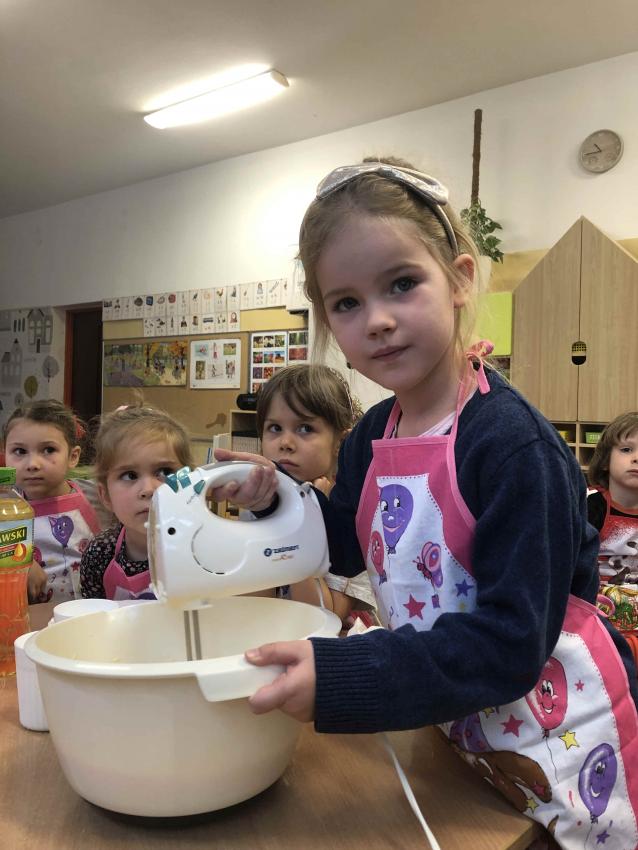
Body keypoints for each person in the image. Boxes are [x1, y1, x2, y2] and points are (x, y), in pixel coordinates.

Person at [212, 158, 638, 846]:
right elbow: (342, 544)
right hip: (457, 723)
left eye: (402, 283)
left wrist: (349, 675)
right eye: (346, 303)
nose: (377, 321)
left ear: (459, 280)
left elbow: (511, 645)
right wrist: (277, 499)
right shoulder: (372, 436)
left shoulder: (512, 446)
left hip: (561, 733)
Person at [254, 363, 374, 621]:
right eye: (275, 428)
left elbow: (322, 617)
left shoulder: (348, 520)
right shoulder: (258, 507)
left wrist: (303, 520)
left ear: (340, 442)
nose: (285, 443)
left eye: (305, 428)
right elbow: (252, 607)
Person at [79, 401, 192, 600]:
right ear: (105, 496)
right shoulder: (99, 553)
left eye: (164, 472)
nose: (148, 490)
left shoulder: (202, 547)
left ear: (189, 481)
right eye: (130, 475)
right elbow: (93, 615)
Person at [3, 399, 111, 603]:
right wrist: (21, 563)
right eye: (20, 451)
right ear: (5, 456)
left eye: (48, 450)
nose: (32, 464)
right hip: (32, 616)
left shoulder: (97, 495)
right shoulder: (5, 507)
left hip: (93, 612)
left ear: (73, 456)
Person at [588, 413, 638, 643]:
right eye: (626, 450)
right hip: (598, 616)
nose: (636, 458)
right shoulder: (591, 507)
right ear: (605, 461)